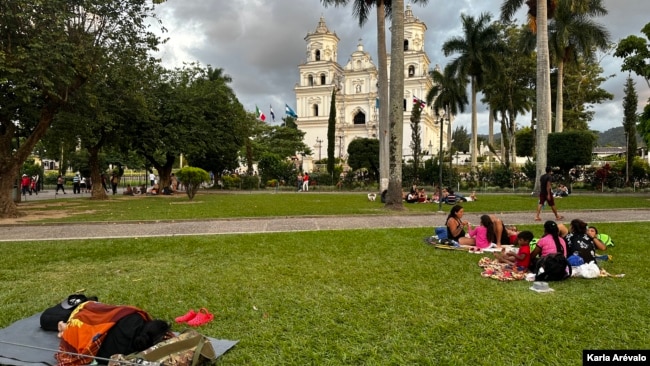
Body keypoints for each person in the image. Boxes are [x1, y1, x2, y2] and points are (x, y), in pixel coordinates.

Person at [55, 300, 170, 366]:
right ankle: (65, 328)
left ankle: (65, 327)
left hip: (88, 317)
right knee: (79, 323)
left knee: (82, 320)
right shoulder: (129, 355)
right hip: (90, 324)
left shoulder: (137, 318)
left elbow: (119, 311)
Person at [445, 205, 510, 248]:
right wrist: (462, 225)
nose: (462, 213)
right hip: (456, 240)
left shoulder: (457, 218)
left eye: (463, 212)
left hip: (462, 237)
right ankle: (491, 242)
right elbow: (454, 234)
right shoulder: (452, 220)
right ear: (455, 213)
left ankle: (492, 240)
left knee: (479, 238)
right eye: (461, 212)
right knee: (478, 240)